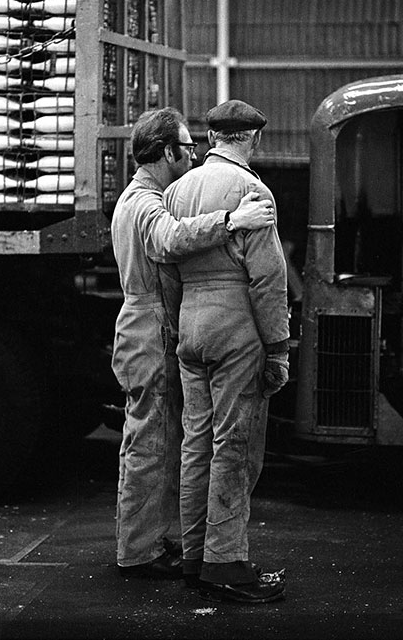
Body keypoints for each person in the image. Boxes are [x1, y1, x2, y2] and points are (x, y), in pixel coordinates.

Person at [111, 106, 275, 581]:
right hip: (150, 326)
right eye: (186, 149)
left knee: (155, 439)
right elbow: (167, 240)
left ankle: (146, 542)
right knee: (152, 442)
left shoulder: (140, 197)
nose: (194, 155)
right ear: (166, 152)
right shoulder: (145, 203)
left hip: (144, 324)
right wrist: (232, 219)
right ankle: (139, 553)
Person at [162, 99, 290, 604]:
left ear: (213, 137)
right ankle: (226, 562)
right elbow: (268, 278)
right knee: (235, 446)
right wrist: (278, 348)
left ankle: (195, 556)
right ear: (251, 139)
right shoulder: (252, 192)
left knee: (196, 445)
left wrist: (181, 325)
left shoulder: (176, 190)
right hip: (238, 329)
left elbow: (168, 266)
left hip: (191, 326)